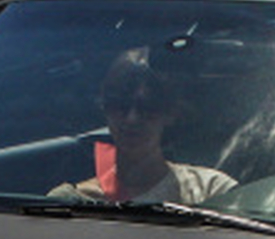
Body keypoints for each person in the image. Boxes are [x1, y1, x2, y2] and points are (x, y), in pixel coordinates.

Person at [48, 48, 235, 205]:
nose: (132, 119)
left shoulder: (212, 191)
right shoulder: (70, 204)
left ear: (171, 113)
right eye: (120, 105)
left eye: (148, 107)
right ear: (104, 108)